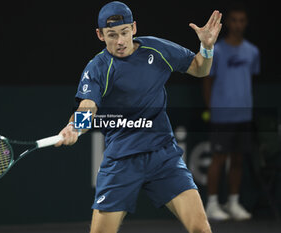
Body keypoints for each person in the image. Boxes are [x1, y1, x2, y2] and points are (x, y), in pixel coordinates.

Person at [56, 1, 222, 232]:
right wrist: (75, 127)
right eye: (112, 35)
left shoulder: (156, 49)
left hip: (164, 156)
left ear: (134, 28)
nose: (120, 41)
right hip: (122, 160)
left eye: (124, 32)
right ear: (100, 35)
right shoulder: (98, 68)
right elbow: (88, 105)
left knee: (201, 229)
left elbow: (199, 68)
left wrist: (206, 47)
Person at [203, 3, 260, 221]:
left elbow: (250, 80)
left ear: (245, 23)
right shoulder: (216, 51)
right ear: (228, 23)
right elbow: (207, 82)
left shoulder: (253, 52)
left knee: (237, 160)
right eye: (234, 20)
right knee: (218, 159)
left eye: (241, 21)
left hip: (243, 115)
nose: (238, 25)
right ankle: (212, 204)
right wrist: (212, 108)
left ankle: (234, 203)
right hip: (222, 115)